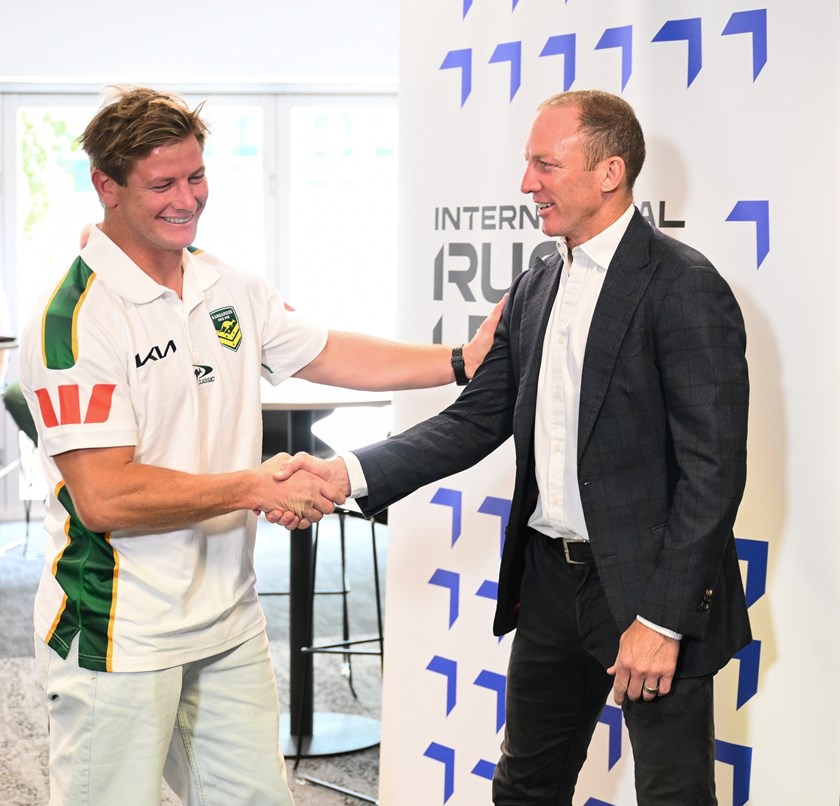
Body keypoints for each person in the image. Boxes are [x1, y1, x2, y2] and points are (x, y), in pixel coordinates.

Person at [17, 86, 502, 806]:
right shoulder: (76, 321)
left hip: (227, 620)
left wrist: (461, 360)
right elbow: (105, 496)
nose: (188, 198)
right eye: (163, 184)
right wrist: (254, 486)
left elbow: (328, 351)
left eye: (197, 176)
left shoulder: (225, 283)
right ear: (106, 186)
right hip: (119, 631)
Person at [278, 89, 751, 805]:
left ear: (609, 172)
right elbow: (474, 420)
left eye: (544, 164)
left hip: (650, 593)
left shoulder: (684, 287)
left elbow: (712, 474)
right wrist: (347, 472)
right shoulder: (535, 285)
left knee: (673, 796)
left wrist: (660, 620)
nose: (526, 183)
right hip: (552, 586)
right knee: (525, 790)